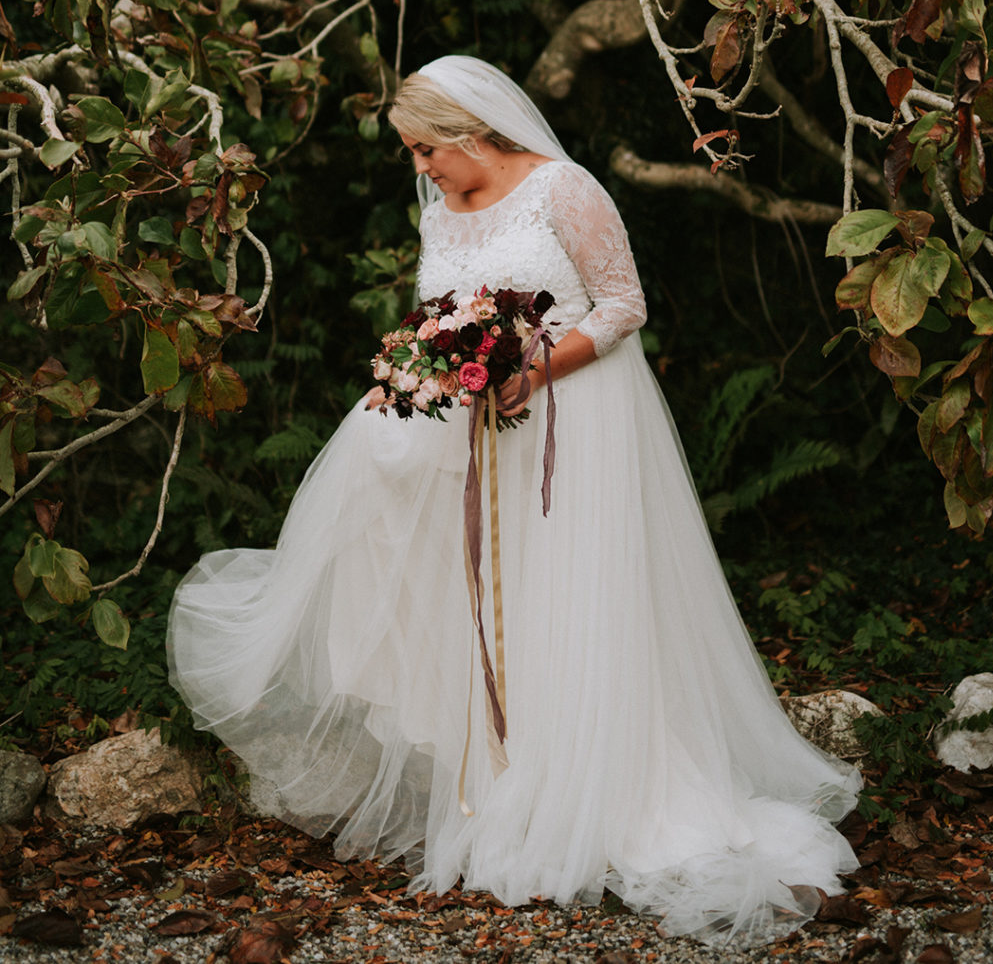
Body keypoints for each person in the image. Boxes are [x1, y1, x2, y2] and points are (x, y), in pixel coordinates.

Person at [167, 54, 860, 945]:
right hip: (473, 438)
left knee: (572, 597)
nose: (421, 169)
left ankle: (603, 791)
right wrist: (413, 376)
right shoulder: (439, 213)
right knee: (492, 609)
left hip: (578, 422)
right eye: (414, 153)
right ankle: (503, 786)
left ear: (470, 134)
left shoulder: (563, 190)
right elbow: (435, 321)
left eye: (426, 150)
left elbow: (621, 305)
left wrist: (534, 367)